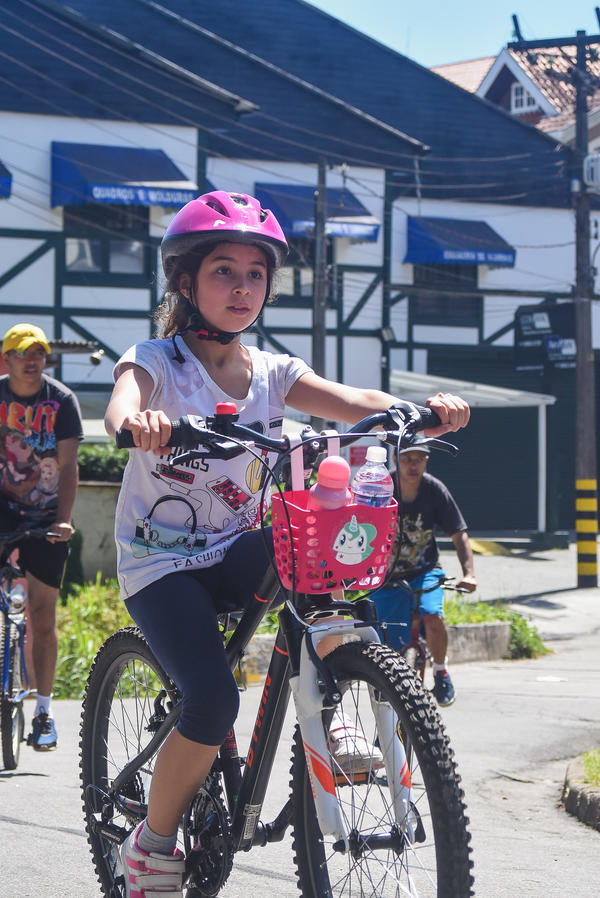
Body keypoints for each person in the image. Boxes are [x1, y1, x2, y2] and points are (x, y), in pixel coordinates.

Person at [103, 190, 470, 897]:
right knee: (211, 704)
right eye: (222, 271)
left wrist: (422, 413)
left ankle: (336, 702)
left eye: (255, 274)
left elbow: (355, 401)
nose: (241, 288)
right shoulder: (158, 358)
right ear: (185, 280)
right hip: (162, 562)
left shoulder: (273, 373)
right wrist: (137, 420)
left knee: (322, 572)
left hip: (240, 545)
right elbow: (126, 394)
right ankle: (150, 843)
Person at [0, 322, 83, 750]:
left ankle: (44, 711)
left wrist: (64, 519)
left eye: (39, 353)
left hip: (46, 516)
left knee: (42, 614)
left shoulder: (62, 400)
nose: (32, 361)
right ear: (7, 359)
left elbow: (68, 467)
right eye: (22, 353)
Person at [372, 439, 477, 708]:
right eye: (407, 458)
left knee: (433, 617)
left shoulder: (434, 490)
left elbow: (459, 533)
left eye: (419, 458)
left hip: (425, 571)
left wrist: (469, 573)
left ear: (426, 461)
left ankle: (440, 671)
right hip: (388, 577)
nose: (413, 464)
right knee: (388, 652)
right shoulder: (382, 488)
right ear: (395, 460)